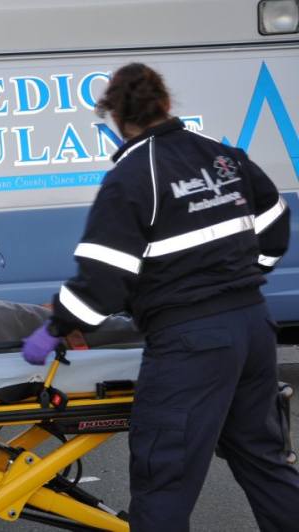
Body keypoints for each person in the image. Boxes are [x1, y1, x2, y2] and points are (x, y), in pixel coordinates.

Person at [21, 62, 299, 531]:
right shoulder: (223, 156)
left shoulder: (132, 178)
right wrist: (247, 276)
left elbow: (103, 282)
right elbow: (275, 223)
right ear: (166, 103)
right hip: (252, 327)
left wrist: (55, 329)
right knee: (263, 460)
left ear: (115, 118)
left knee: (164, 478)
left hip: (190, 344)